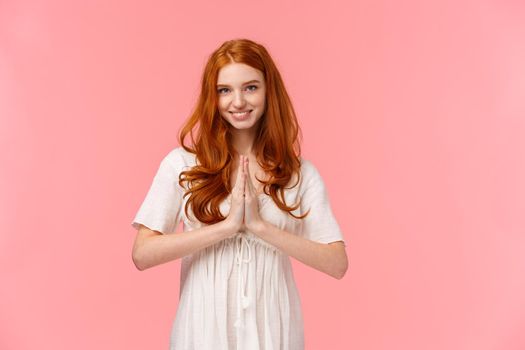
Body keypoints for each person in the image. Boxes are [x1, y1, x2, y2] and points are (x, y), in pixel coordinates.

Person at [131, 38, 348, 350]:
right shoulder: (182, 164)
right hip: (202, 334)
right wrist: (227, 227)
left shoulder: (299, 174)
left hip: (275, 335)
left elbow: (337, 263)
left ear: (268, 90)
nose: (238, 101)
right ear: (213, 96)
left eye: (250, 87)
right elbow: (142, 254)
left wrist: (260, 226)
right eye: (225, 90)